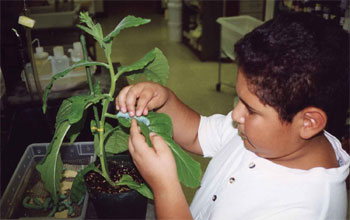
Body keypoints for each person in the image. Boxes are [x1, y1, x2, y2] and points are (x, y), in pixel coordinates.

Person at [115, 12, 350, 219]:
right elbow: (197, 133)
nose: (235, 114)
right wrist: (164, 99)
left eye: (251, 109)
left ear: (308, 122)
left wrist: (165, 188)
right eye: (240, 100)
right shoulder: (269, 138)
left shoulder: (304, 211)